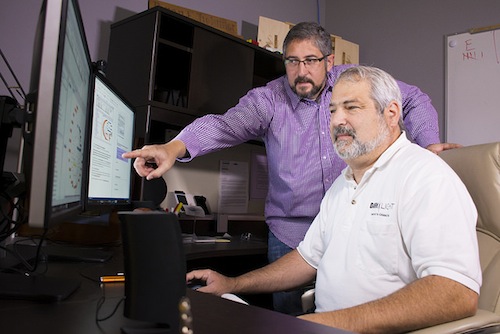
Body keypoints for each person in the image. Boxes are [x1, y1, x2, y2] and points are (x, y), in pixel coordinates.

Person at [122, 22, 460, 314]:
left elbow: (413, 99)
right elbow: (225, 126)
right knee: (290, 318)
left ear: (329, 60)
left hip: (350, 223)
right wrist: (173, 147)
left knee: (358, 301)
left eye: (311, 61)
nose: (301, 71)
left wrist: (429, 146)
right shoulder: (268, 100)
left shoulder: (352, 83)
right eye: (292, 61)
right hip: (291, 236)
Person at [185, 66, 482, 333]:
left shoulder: (425, 176)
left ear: (391, 114)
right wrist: (233, 284)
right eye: (332, 111)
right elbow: (306, 259)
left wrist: (321, 322)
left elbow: (456, 291)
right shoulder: (343, 184)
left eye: (351, 108)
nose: (337, 121)